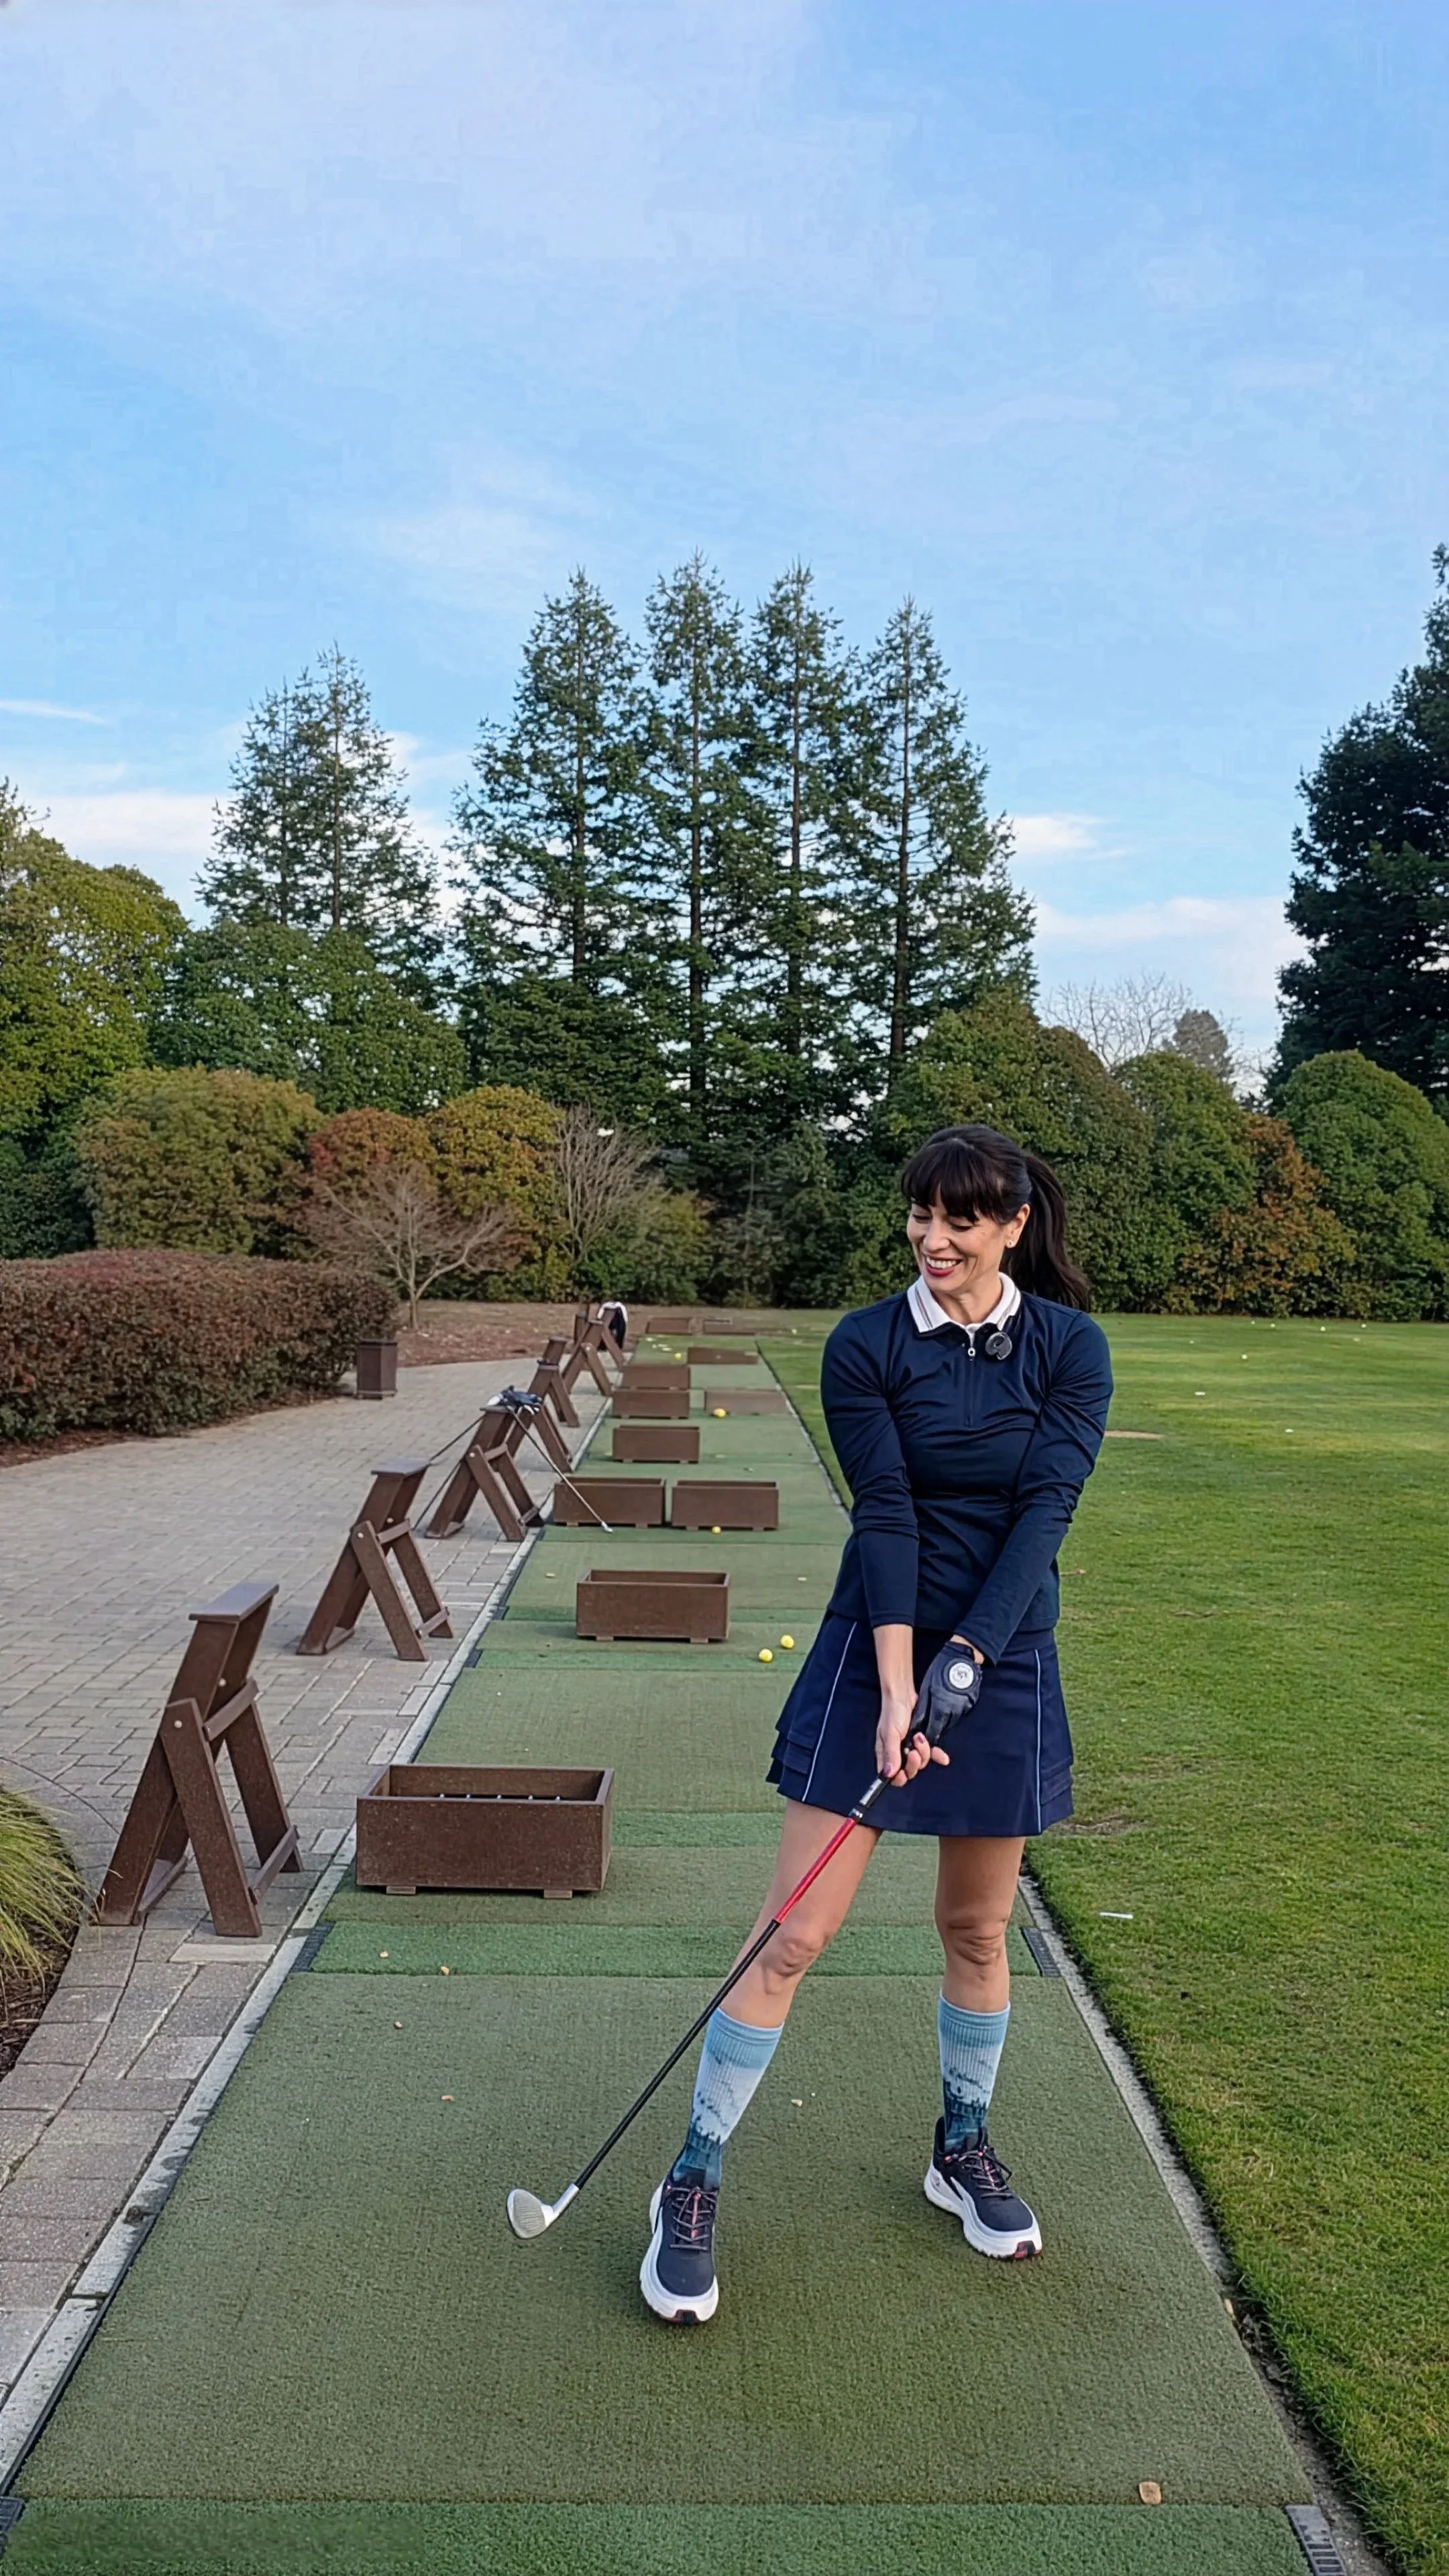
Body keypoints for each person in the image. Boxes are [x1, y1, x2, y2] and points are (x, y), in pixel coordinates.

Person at [640, 1123, 1114, 2324]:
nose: (934, 1237)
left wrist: (971, 1658)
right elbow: (887, 1510)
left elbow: (1045, 1515)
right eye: (921, 1214)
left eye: (962, 1219)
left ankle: (961, 2147)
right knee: (794, 1932)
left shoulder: (1069, 1349)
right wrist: (904, 1681)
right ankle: (689, 2176)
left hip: (1006, 1655)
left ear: (1013, 1226)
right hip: (874, 1650)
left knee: (978, 1924)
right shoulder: (866, 1346)